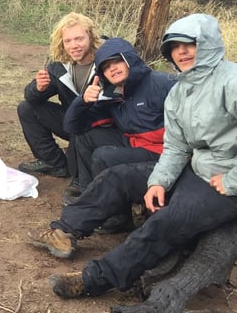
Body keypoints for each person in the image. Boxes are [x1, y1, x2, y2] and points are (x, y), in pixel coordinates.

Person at [29, 14, 237, 300]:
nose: (182, 52)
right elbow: (175, 146)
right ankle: (64, 231)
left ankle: (93, 279)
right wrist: (159, 181)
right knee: (119, 175)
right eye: (175, 47)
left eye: (191, 44)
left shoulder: (230, 81)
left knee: (164, 223)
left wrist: (232, 179)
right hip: (195, 169)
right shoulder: (182, 91)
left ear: (210, 44)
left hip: (222, 184)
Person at [61, 37, 175, 203]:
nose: (112, 69)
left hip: (163, 150)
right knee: (84, 138)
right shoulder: (113, 96)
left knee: (104, 155)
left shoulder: (162, 83)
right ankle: (87, 197)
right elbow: (72, 127)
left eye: (116, 61)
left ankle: (113, 215)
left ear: (130, 59)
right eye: (105, 67)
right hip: (134, 142)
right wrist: (82, 101)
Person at [17, 13, 102, 201]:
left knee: (82, 127)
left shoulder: (106, 61)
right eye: (68, 41)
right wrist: (39, 88)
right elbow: (31, 97)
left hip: (102, 125)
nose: (74, 45)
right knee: (27, 108)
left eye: (79, 38)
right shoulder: (60, 66)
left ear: (91, 36)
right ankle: (54, 163)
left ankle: (79, 178)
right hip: (73, 121)